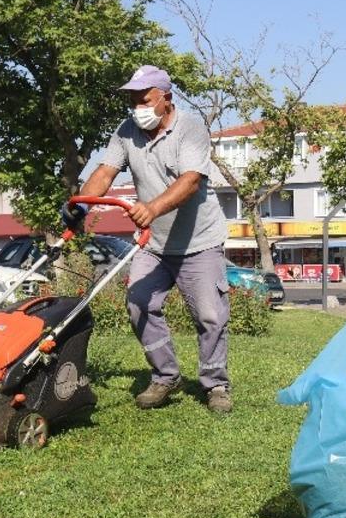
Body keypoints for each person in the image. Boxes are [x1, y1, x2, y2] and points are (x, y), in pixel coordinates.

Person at [63, 65, 232, 413]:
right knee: (139, 303)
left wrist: (152, 208)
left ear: (166, 98)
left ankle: (215, 384)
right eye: (133, 101)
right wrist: (80, 204)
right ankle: (165, 376)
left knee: (210, 316)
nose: (137, 108)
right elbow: (104, 172)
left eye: (144, 100)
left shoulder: (190, 128)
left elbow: (191, 181)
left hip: (198, 242)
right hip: (153, 244)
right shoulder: (127, 131)